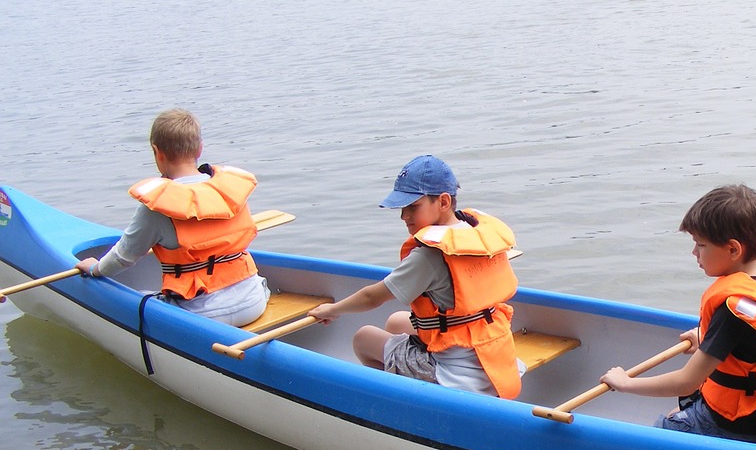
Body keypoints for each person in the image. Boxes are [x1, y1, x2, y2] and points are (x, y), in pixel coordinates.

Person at [599, 184, 756, 448]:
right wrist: (706, 338)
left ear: (733, 250)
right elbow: (751, 346)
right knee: (684, 410)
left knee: (656, 437)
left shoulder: (734, 311)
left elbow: (686, 382)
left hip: (735, 423)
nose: (694, 253)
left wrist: (625, 383)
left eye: (701, 245)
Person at [307, 154, 523, 399]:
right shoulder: (476, 234)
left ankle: (402, 401)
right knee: (397, 322)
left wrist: (331, 310)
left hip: (456, 378)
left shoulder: (429, 256)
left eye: (413, 207)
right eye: (402, 208)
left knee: (363, 338)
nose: (404, 216)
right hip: (494, 359)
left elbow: (371, 297)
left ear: (443, 202)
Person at [75, 108, 270, 327]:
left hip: (202, 317)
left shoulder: (157, 207)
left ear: (157, 152)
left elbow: (123, 257)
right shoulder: (230, 193)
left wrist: (95, 269)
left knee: (137, 297)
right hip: (255, 300)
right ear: (200, 148)